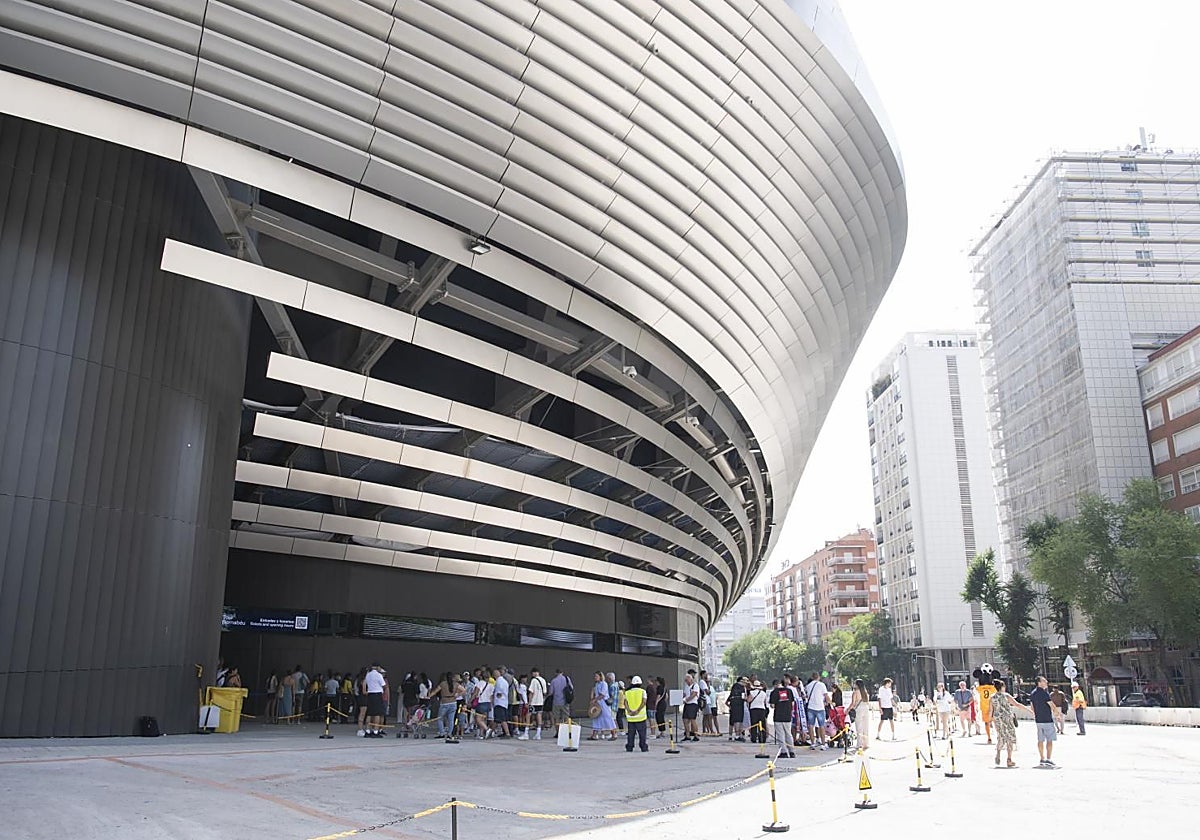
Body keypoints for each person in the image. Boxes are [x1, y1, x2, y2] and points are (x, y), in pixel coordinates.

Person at [991, 678, 1031, 767]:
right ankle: (1009, 759)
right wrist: (1028, 710)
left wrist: (991, 721)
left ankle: (998, 753)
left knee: (1000, 736)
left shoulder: (992, 697)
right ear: (1002, 687)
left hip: (998, 719)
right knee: (1010, 738)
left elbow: (991, 710)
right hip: (1007, 719)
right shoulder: (1006, 696)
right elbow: (1017, 704)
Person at [1028, 675, 1058, 767]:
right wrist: (1057, 713)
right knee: (1049, 740)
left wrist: (1035, 715)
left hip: (1038, 720)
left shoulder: (1032, 693)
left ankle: (1042, 758)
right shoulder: (1045, 693)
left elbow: (1032, 707)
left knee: (1040, 740)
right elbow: (1051, 704)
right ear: (1039, 683)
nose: (1046, 682)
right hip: (1047, 720)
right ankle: (1048, 759)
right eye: (1044, 681)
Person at [769, 679, 797, 759]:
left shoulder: (774, 692)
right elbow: (792, 703)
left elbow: (772, 705)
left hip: (778, 716)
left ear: (775, 685)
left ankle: (783, 751)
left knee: (780, 734)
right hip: (787, 715)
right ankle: (792, 751)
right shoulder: (789, 691)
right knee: (788, 734)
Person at [623, 675, 649, 752]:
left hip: (630, 717)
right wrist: (637, 711)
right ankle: (643, 747)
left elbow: (625, 703)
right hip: (640, 717)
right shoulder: (643, 691)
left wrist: (629, 711)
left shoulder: (627, 692)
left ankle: (629, 747)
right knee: (642, 734)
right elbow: (644, 702)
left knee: (631, 734)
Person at [805, 673, 830, 750]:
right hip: (820, 707)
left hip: (811, 707)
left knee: (811, 726)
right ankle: (823, 744)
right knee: (821, 726)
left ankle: (813, 743)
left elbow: (807, 696)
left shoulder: (808, 686)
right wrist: (829, 702)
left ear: (812, 677)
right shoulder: (822, 685)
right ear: (818, 677)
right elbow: (826, 696)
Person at [588, 671, 617, 740]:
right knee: (596, 717)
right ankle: (594, 734)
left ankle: (614, 734)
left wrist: (595, 700)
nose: (595, 678)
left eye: (596, 676)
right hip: (598, 703)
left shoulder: (604, 684)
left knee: (608, 718)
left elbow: (603, 694)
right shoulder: (597, 684)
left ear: (600, 677)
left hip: (604, 703)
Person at [362, 663, 387, 738]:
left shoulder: (368, 675)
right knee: (377, 713)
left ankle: (367, 730)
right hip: (377, 694)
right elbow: (384, 685)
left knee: (369, 713)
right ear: (378, 667)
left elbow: (366, 683)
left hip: (370, 694)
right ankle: (375, 731)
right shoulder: (379, 675)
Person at [848, 679, 871, 751]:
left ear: (857, 685)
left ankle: (859, 744)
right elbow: (867, 702)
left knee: (859, 727)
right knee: (865, 727)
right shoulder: (865, 692)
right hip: (866, 709)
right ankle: (866, 743)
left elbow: (853, 703)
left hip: (859, 709)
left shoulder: (855, 692)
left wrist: (847, 710)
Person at [525, 667, 547, 740]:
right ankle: (538, 733)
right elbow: (545, 692)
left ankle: (526, 733)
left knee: (528, 715)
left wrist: (529, 702)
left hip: (534, 702)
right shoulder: (543, 680)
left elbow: (531, 692)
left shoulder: (534, 680)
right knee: (539, 715)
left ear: (534, 672)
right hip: (540, 701)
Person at [680, 671, 701, 742]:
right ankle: (687, 735)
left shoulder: (695, 686)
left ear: (691, 679)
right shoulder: (686, 686)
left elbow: (694, 694)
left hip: (693, 704)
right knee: (685, 720)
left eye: (687, 680)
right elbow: (684, 694)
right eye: (685, 680)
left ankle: (696, 735)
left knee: (692, 720)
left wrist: (686, 700)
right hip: (687, 704)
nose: (686, 681)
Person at [747, 680, 769, 744]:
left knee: (754, 724)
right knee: (762, 725)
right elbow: (765, 702)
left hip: (753, 709)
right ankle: (762, 738)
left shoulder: (752, 693)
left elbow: (748, 700)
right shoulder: (763, 693)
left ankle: (753, 738)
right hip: (762, 709)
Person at [726, 675, 747, 742]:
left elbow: (729, 698)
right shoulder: (742, 687)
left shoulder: (734, 687)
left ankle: (731, 735)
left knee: (733, 721)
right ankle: (737, 736)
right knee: (738, 720)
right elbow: (744, 697)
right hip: (739, 705)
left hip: (733, 705)